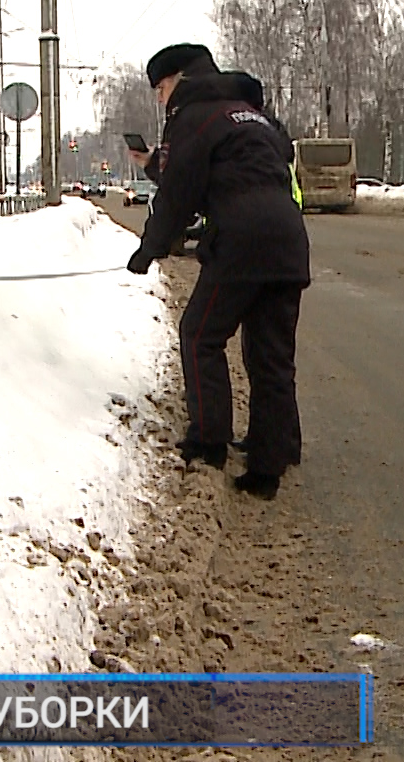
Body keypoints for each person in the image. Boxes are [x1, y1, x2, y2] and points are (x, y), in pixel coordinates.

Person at [125, 43, 310, 500]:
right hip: (288, 239)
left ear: (180, 81)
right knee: (271, 354)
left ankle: (209, 443)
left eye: (161, 88)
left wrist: (147, 251)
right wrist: (158, 166)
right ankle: (274, 457)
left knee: (199, 335)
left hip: (241, 242)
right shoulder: (253, 114)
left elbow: (179, 195)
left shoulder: (193, 117)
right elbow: (255, 159)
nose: (160, 99)